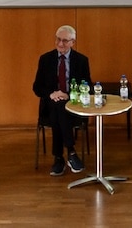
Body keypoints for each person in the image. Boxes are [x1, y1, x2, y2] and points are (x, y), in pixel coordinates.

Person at [32, 25, 91, 176]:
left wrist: (69, 95)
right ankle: (71, 152)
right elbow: (37, 87)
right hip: (50, 105)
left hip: (74, 105)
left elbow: (88, 86)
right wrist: (52, 94)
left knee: (61, 108)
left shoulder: (81, 60)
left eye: (65, 41)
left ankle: (58, 158)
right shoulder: (45, 59)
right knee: (58, 106)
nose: (60, 44)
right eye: (58, 39)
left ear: (73, 42)